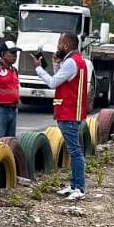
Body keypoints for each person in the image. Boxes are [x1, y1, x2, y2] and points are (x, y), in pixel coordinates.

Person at [33, 31, 89, 200]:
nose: (57, 46)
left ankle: (79, 188)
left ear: (66, 45)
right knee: (74, 151)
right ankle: (74, 185)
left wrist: (38, 68)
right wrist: (56, 64)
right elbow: (61, 80)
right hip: (71, 112)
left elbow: (53, 83)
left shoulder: (71, 63)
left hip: (69, 113)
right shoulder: (76, 61)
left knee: (75, 151)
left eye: (59, 43)